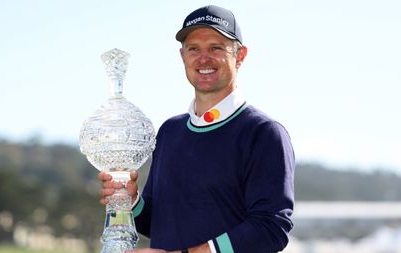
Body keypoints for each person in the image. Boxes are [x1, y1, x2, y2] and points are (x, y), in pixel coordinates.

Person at [99, 5, 295, 253]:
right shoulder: (170, 131)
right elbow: (157, 223)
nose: (204, 58)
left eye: (216, 47)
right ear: (183, 56)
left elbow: (270, 229)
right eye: (194, 49)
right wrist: (132, 200)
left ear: (241, 55)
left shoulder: (264, 133)